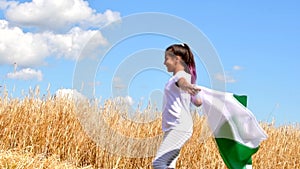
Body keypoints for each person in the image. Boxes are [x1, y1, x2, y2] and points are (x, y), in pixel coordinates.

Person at [152, 43, 202, 169]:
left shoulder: (180, 77)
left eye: (166, 58)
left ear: (177, 59)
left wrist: (187, 86)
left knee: (158, 163)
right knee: (169, 165)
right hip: (173, 127)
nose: (164, 62)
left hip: (179, 126)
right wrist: (192, 89)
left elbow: (182, 83)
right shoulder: (183, 78)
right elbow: (198, 102)